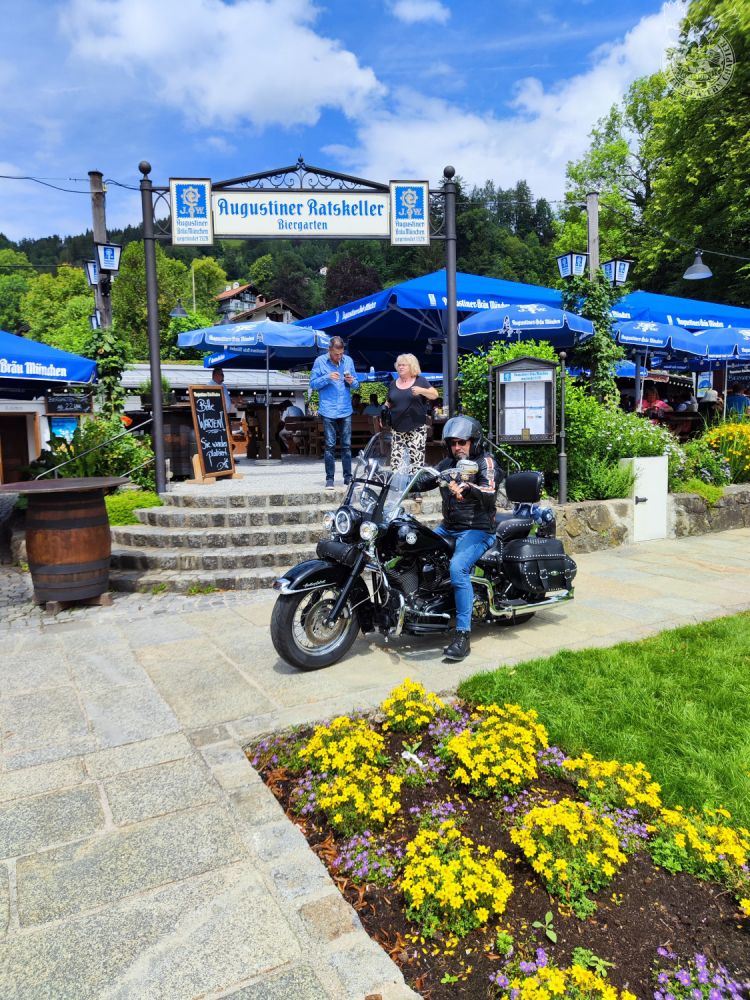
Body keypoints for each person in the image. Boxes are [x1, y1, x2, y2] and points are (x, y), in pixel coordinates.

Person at [419, 415, 499, 662]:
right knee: (415, 548)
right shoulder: (447, 464)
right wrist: (395, 481)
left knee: (458, 568)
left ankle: (463, 635)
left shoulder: (485, 462)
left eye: (462, 442)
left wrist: (469, 487)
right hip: (449, 527)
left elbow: (490, 491)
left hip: (478, 529)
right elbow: (425, 480)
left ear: (474, 441)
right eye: (453, 443)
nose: (457, 447)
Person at [309, 336, 360, 490]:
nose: (339, 357)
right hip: (328, 409)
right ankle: (330, 479)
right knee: (330, 445)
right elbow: (313, 384)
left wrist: (352, 382)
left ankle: (348, 478)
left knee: (347, 445)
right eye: (336, 354)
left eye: (341, 353)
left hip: (345, 409)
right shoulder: (320, 362)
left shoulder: (348, 361)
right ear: (329, 350)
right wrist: (327, 377)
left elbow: (356, 385)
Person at [382, 354, 438, 477]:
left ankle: (415, 486)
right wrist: (384, 408)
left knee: (416, 462)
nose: (400, 367)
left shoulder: (420, 380)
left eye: (404, 365)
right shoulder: (393, 384)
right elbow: (390, 401)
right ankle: (398, 486)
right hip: (397, 428)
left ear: (411, 366)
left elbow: (435, 394)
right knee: (396, 462)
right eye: (399, 365)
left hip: (416, 427)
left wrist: (422, 391)